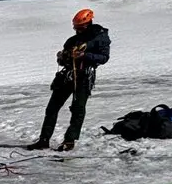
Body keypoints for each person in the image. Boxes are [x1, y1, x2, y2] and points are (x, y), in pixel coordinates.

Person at [27, 9, 111, 151]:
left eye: (80, 27)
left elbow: (104, 58)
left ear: (88, 23)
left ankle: (70, 140)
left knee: (78, 109)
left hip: (84, 77)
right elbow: (64, 61)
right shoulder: (72, 40)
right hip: (67, 76)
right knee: (52, 108)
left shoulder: (99, 38)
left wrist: (84, 55)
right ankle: (44, 140)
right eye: (76, 27)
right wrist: (63, 57)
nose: (77, 30)